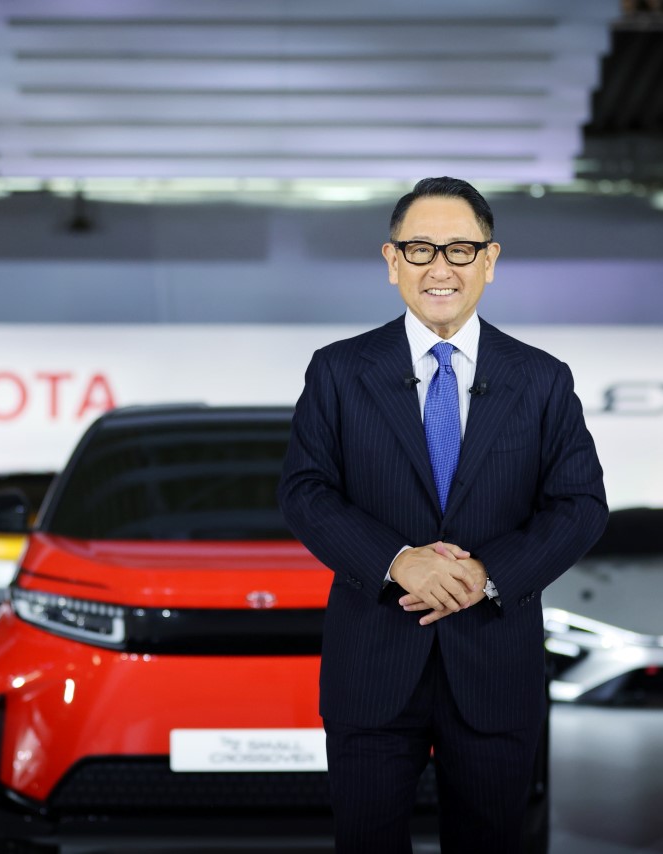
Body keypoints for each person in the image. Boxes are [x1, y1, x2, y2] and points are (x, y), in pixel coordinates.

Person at [277, 176, 608, 853]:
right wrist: (400, 562)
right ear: (391, 260)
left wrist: (485, 574)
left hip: (495, 661)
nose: (440, 268)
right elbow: (306, 491)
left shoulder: (542, 379)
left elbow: (580, 504)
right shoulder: (337, 371)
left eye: (460, 249)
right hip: (372, 662)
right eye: (420, 249)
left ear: (489, 260)